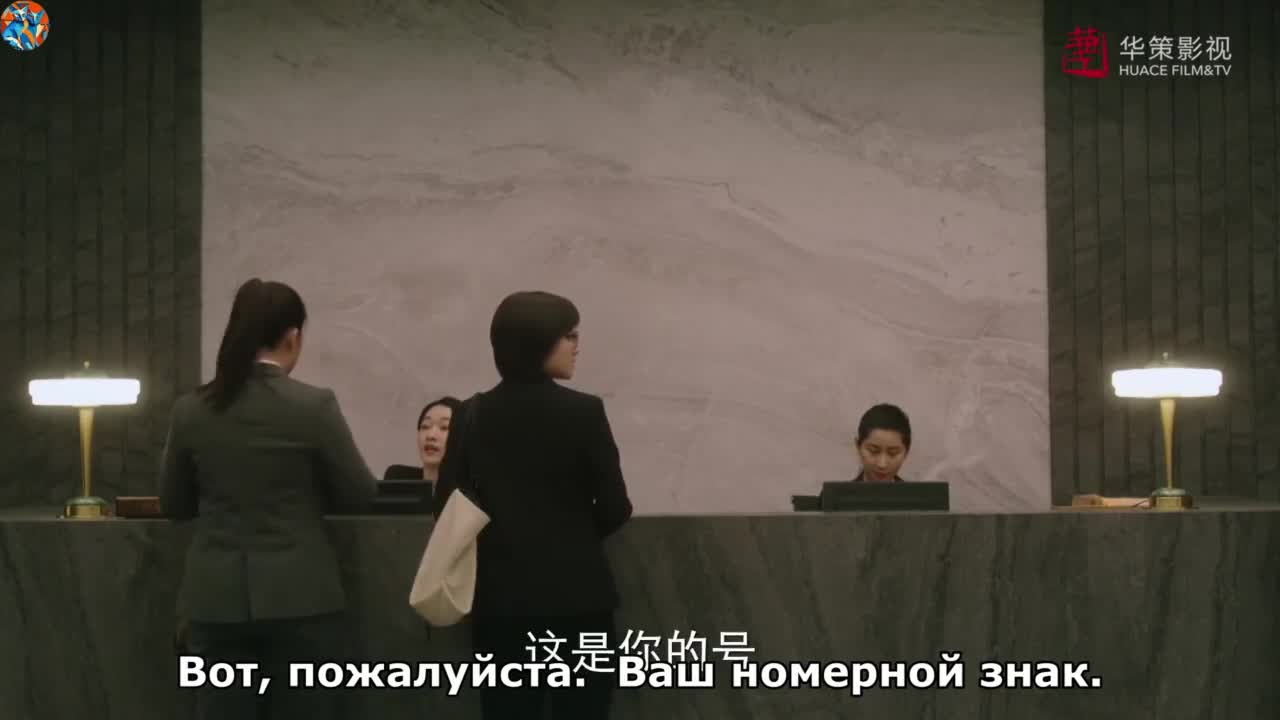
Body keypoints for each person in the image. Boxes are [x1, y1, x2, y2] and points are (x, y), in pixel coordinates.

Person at [159, 278, 377, 720]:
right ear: (292, 337)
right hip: (302, 598)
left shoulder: (192, 409)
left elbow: (174, 504)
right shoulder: (312, 405)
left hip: (215, 601)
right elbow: (360, 494)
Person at [433, 290, 633, 720]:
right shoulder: (584, 411)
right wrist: (570, 535)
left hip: (500, 604)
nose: (577, 346)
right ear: (539, 341)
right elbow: (616, 506)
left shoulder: (471, 414)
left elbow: (447, 503)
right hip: (579, 600)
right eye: (569, 335)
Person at [383, 396, 462, 481]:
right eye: (425, 426)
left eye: (444, 427)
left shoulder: (471, 488)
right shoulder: (397, 478)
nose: (430, 435)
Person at [853, 403, 912, 483]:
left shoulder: (914, 492)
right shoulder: (842, 491)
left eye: (893, 453)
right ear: (858, 447)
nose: (882, 464)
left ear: (906, 451)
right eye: (873, 451)